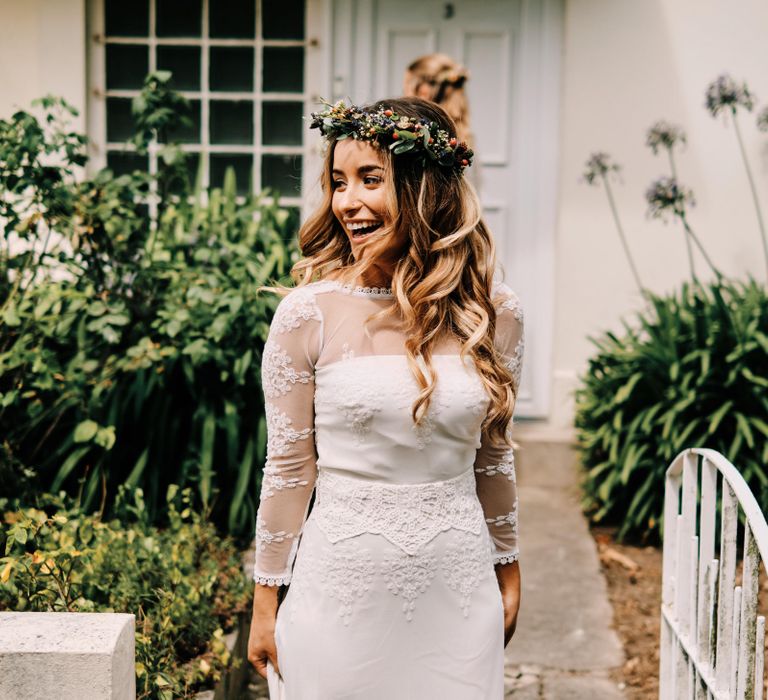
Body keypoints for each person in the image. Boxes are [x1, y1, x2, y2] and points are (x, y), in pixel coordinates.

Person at [247, 96, 524, 699]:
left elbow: (493, 455)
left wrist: (508, 564)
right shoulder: (306, 315)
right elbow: (290, 468)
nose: (348, 203)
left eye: (371, 179)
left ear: (427, 188)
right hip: (339, 591)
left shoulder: (492, 315)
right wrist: (266, 598)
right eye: (339, 183)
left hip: (457, 587)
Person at [403, 54, 472, 145]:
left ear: (424, 91)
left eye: (408, 85)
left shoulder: (418, 136)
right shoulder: (462, 137)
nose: (404, 93)